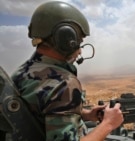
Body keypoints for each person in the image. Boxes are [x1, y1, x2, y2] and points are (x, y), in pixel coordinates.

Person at [10, 1, 123, 141]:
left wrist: (84, 114)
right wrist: (108, 124)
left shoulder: (22, 72)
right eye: (78, 43)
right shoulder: (63, 83)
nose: (80, 50)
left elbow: (39, 113)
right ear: (65, 38)